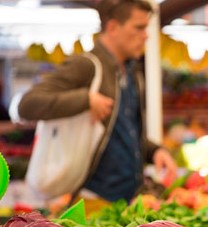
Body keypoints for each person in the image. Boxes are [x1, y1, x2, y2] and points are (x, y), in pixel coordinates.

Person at [18, 0, 177, 204]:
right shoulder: (86, 66)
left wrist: (155, 150)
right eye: (139, 27)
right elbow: (28, 104)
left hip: (129, 200)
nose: (146, 35)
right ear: (112, 27)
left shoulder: (132, 73)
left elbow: (123, 131)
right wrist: (85, 99)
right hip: (92, 200)